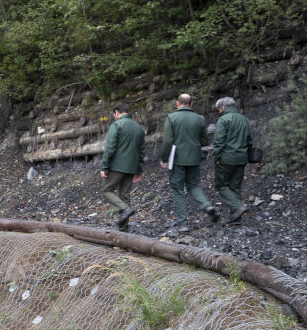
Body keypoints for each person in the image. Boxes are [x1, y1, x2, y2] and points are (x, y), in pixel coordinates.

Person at [158, 93, 217, 232]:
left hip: (177, 159)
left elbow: (167, 141)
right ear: (191, 104)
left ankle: (183, 224)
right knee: (193, 185)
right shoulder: (200, 119)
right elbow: (204, 141)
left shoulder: (171, 118)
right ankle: (206, 206)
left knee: (178, 189)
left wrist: (164, 159)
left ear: (177, 104)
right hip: (194, 158)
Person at [99, 103, 145, 228]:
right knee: (124, 195)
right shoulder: (138, 127)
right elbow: (142, 151)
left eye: (114, 114)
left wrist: (104, 167)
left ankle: (126, 209)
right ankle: (124, 227)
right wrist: (139, 170)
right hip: (132, 167)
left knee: (105, 190)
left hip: (117, 166)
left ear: (116, 112)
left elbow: (110, 148)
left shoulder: (117, 125)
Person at [211, 96, 253, 223]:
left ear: (223, 107)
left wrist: (215, 158)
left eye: (219, 109)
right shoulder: (245, 119)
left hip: (226, 158)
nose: (219, 111)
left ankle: (237, 207)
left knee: (221, 184)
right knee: (235, 186)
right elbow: (250, 140)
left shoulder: (223, 120)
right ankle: (235, 218)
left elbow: (218, 142)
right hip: (242, 158)